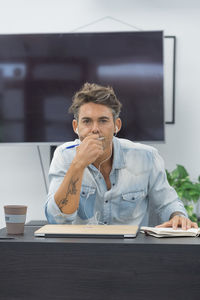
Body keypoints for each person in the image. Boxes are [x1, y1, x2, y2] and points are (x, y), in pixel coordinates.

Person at [45, 82, 198, 230]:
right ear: (76, 127)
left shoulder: (147, 157)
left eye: (103, 121)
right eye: (87, 121)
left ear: (117, 125)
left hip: (133, 252)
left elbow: (168, 203)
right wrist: (78, 164)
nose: (95, 129)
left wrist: (178, 216)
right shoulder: (64, 156)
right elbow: (57, 219)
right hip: (81, 251)